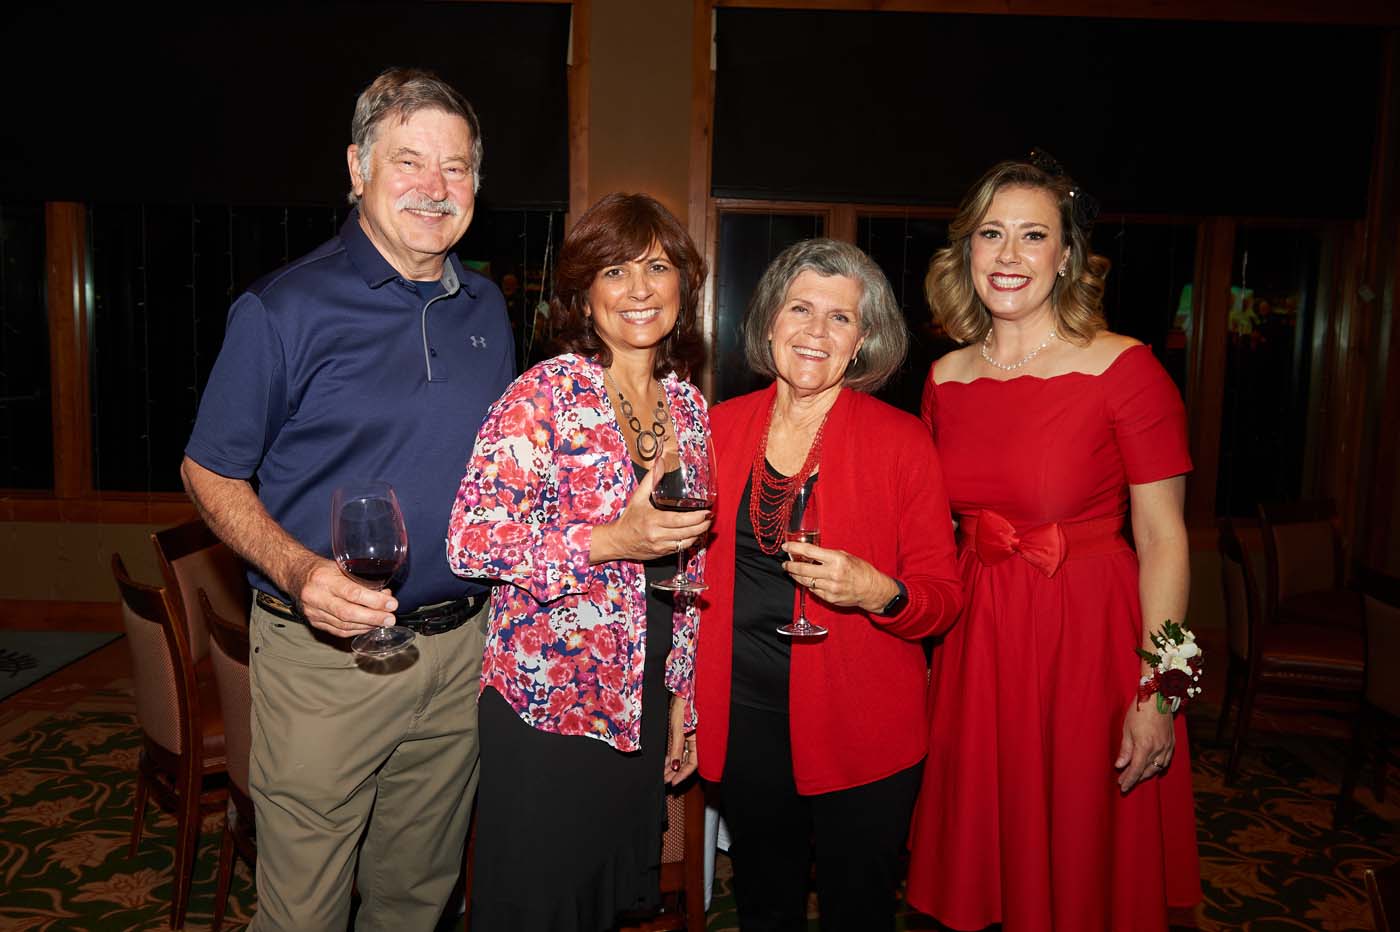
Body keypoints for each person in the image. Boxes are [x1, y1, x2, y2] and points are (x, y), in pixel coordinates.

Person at [181, 68, 513, 931]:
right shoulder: (282, 309)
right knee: (304, 914)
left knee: (416, 899)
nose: (436, 189)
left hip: (459, 653)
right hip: (328, 664)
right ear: (358, 167)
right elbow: (207, 470)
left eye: (457, 167)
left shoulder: (487, 308)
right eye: (410, 162)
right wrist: (295, 569)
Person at [905, 153, 1203, 931]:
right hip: (980, 644)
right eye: (989, 234)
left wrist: (1163, 693)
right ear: (964, 250)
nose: (1008, 256)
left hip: (1090, 646)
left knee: (1086, 869)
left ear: (1066, 255)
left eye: (1032, 235)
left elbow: (1169, 542)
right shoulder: (944, 377)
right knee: (989, 866)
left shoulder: (1126, 368)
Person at [445, 193, 712, 931]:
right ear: (583, 294)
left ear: (683, 287)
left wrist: (681, 697)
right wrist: (608, 541)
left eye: (657, 267)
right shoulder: (544, 396)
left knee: (599, 898)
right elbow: (470, 542)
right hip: (550, 705)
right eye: (615, 270)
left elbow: (693, 565)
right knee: (539, 904)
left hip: (641, 695)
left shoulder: (688, 408)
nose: (639, 289)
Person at [694, 238, 964, 932]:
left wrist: (880, 592)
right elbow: (692, 576)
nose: (816, 332)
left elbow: (941, 597)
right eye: (801, 309)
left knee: (858, 910)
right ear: (770, 323)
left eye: (840, 318)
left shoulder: (903, 443)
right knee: (763, 902)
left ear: (863, 339)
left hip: (862, 725)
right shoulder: (719, 428)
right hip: (745, 716)